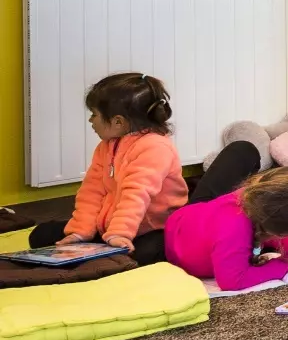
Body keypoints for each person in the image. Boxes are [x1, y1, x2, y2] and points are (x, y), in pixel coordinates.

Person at [29, 73, 187, 264]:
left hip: (153, 228)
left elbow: (136, 195)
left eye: (94, 115)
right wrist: (80, 231)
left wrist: (119, 234)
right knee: (41, 234)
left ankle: (111, 247)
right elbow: (92, 191)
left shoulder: (155, 147)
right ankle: (105, 247)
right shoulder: (106, 147)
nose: (91, 121)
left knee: (146, 253)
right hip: (112, 226)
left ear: (118, 122)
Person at [162, 143, 288, 291]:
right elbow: (233, 280)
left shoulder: (253, 196)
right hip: (175, 241)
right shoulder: (234, 229)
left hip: (192, 218)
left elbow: (266, 223)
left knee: (243, 150)